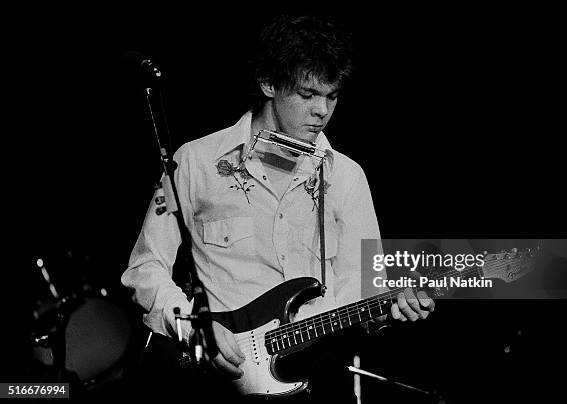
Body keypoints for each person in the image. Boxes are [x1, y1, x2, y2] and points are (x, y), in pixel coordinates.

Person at [121, 13, 434, 400]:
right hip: (219, 381)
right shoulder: (195, 162)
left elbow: (361, 292)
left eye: (332, 96)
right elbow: (144, 269)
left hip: (317, 380)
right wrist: (192, 327)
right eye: (307, 95)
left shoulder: (347, 178)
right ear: (268, 83)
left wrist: (389, 311)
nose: (322, 111)